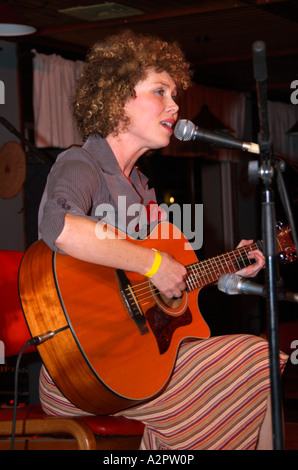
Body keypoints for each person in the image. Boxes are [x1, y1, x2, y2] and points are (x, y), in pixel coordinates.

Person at [37, 30, 287, 450]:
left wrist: (230, 263)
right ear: (118, 99)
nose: (175, 105)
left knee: (262, 368)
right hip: (78, 370)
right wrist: (153, 264)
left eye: (175, 94)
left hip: (137, 365)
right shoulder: (83, 163)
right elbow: (59, 226)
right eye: (160, 91)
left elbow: (166, 287)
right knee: (257, 360)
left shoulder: (142, 189)